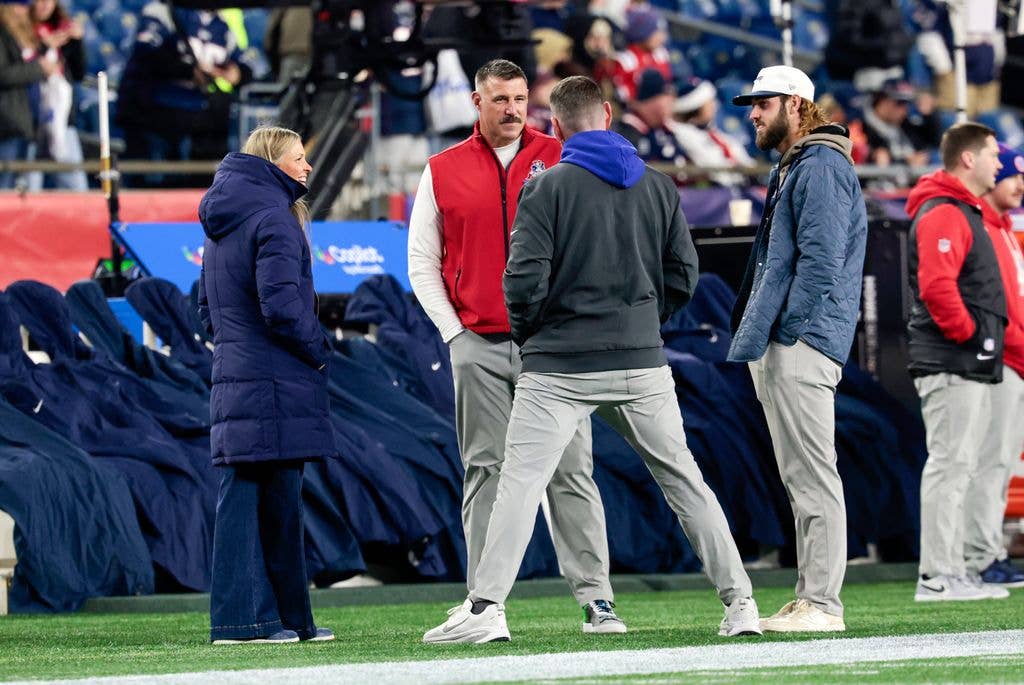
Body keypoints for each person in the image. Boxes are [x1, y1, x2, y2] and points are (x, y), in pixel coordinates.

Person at [422, 75, 762, 643]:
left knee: (518, 485)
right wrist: (646, 325)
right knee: (685, 482)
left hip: (558, 365)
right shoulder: (657, 185)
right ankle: (741, 603)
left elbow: (522, 281)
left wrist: (533, 335)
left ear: (556, 126)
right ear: (607, 113)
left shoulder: (547, 186)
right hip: (641, 361)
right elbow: (684, 276)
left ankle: (485, 610)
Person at [408, 59, 623, 641]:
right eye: (500, 99)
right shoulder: (441, 169)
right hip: (477, 341)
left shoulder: (562, 157)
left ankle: (597, 600)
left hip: (554, 348)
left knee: (572, 469)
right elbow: (421, 262)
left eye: (521, 98)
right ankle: (485, 606)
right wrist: (455, 335)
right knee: (485, 469)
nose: (512, 110)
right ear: (477, 102)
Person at [728, 65, 868, 632]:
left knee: (812, 475)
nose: (753, 115)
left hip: (803, 342)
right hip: (790, 341)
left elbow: (821, 260)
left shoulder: (822, 166)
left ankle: (823, 604)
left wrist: (787, 332)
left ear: (793, 103)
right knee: (801, 478)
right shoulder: (797, 166)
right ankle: (810, 594)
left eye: (761, 104)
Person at [198, 125, 336, 644]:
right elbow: (282, 308)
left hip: (239, 372)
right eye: (299, 159)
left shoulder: (221, 225)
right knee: (260, 495)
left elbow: (206, 311)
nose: (306, 169)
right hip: (275, 376)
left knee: (270, 493)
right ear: (274, 164)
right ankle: (244, 622)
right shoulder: (275, 220)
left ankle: (287, 619)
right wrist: (319, 351)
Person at [904, 122, 1011, 602]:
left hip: (963, 360)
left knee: (960, 465)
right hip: (951, 360)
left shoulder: (960, 210)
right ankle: (937, 574)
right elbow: (936, 287)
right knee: (950, 466)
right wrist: (973, 336)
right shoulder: (944, 211)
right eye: (992, 154)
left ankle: (953, 572)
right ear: (968, 159)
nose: (998, 162)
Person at [967, 143, 1024, 590]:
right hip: (998, 357)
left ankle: (990, 552)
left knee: (1001, 462)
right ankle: (981, 557)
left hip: (1013, 356)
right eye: (1011, 175)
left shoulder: (1003, 226)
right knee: (988, 461)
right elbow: (998, 304)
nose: (1018, 184)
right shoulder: (983, 226)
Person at [118, 1, 253, 187]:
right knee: (154, 183)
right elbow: (147, 53)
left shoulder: (220, 24)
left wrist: (236, 73)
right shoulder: (162, 11)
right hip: (154, 116)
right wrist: (189, 71)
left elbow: (244, 66)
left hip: (196, 119)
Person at [30, 0, 86, 191]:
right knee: (30, 189)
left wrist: (77, 42)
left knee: (76, 189)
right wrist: (44, 47)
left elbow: (79, 73)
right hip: (31, 123)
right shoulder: (17, 30)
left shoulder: (61, 29)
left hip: (62, 122)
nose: (46, 4)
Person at [0, 0, 56, 189]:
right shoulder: (2, 34)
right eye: (19, 6)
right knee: (6, 185)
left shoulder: (19, 35)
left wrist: (45, 49)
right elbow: (3, 74)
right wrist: (38, 69)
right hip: (8, 123)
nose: (23, 12)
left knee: (23, 186)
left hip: (25, 122)